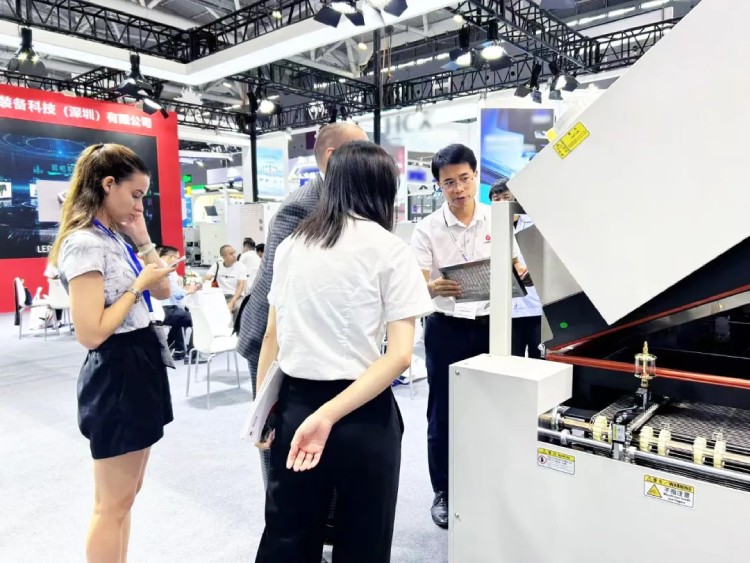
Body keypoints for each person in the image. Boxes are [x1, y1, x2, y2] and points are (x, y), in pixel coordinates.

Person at [254, 140, 433, 563]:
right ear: (383, 189)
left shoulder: (292, 245)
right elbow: (400, 356)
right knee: (364, 538)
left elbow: (271, 336)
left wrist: (261, 413)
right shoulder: (391, 249)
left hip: (296, 405)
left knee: (287, 534)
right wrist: (330, 415)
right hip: (363, 410)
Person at [48, 143, 176, 562]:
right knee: (111, 504)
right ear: (108, 184)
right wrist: (137, 287)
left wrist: (143, 239)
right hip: (117, 371)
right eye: (135, 194)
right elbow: (91, 333)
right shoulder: (84, 243)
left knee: (127, 496)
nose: (140, 204)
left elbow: (163, 289)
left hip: (138, 362)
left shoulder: (115, 238)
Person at [238, 122, 369, 486]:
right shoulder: (302, 206)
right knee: (275, 436)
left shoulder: (345, 200)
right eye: (360, 149)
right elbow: (276, 288)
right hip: (276, 338)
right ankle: (278, 509)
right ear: (333, 155)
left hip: (315, 336)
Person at [411, 144, 523, 529]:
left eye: (464, 179)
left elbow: (514, 263)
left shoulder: (497, 218)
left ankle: (491, 483)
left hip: (494, 326)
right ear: (438, 185)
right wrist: (432, 287)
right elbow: (416, 283)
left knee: (496, 405)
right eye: (449, 183)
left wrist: (522, 272)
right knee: (443, 410)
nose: (458, 189)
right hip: (447, 328)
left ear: (476, 176)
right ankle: (444, 490)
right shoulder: (426, 229)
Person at [489, 179, 543, 358]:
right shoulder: (489, 227)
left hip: (535, 307)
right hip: (506, 311)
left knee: (539, 359)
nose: (502, 203)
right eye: (496, 199)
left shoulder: (534, 224)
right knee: (511, 359)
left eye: (507, 197)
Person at [157, 245, 196, 361]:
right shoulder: (167, 269)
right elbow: (176, 294)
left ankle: (179, 350)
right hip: (167, 309)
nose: (178, 262)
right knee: (198, 320)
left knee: (180, 317)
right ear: (171, 257)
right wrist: (189, 290)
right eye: (178, 258)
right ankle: (193, 353)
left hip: (157, 310)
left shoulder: (153, 266)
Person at [204, 244, 247, 313]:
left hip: (236, 296)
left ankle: (235, 321)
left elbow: (241, 287)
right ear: (224, 257)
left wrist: (232, 302)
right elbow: (207, 278)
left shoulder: (241, 266)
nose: (234, 255)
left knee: (237, 307)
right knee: (208, 306)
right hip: (221, 295)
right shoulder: (217, 265)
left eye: (234, 253)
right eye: (231, 254)